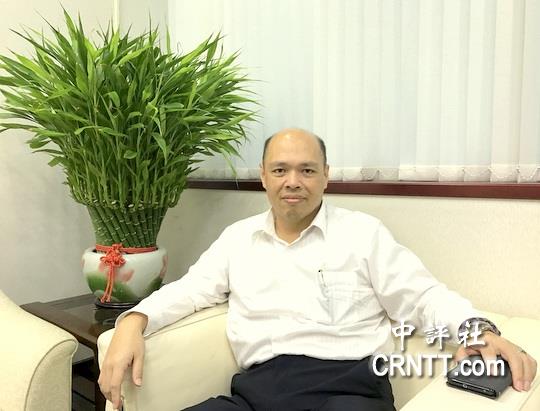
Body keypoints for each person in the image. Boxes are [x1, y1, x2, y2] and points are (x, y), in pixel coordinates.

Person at [99, 128, 537, 411]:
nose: (293, 181)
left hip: (350, 391)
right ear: (264, 177)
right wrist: (134, 321)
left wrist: (479, 331)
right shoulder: (238, 239)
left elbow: (422, 296)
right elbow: (192, 289)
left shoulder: (362, 233)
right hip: (257, 393)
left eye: (307, 170)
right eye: (280, 169)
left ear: (326, 175)